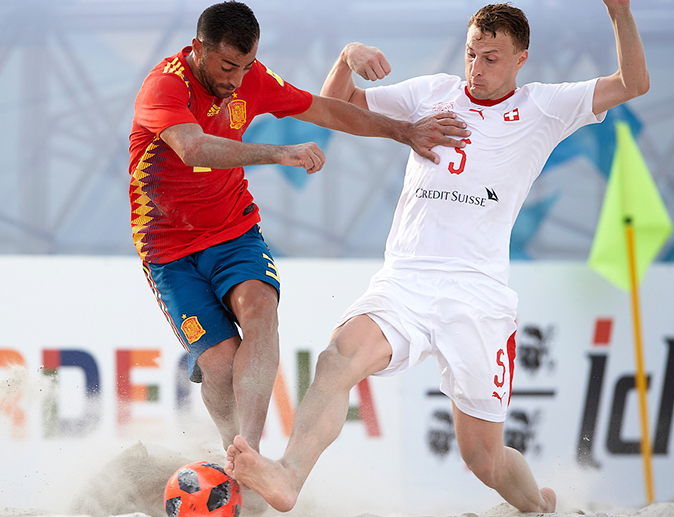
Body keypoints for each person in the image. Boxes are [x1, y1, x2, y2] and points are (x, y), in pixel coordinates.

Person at [225, 0, 648, 513]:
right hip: (405, 280)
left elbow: (633, 83)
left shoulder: (546, 106)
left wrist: (621, 12)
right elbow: (338, 107)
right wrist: (345, 58)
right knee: (337, 359)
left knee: (483, 460)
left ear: (521, 59)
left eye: (492, 58)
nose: (478, 68)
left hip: (478, 296)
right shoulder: (433, 92)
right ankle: (290, 476)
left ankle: (538, 505)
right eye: (472, 53)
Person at [128, 0, 469, 453]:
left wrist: (405, 131)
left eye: (245, 66)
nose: (236, 79)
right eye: (228, 65)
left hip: (232, 229)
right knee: (220, 367)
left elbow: (326, 110)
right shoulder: (164, 86)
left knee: (260, 307)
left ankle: (245, 455)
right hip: (167, 247)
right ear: (198, 47)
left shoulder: (253, 79)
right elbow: (192, 149)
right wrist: (276, 152)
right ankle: (229, 448)